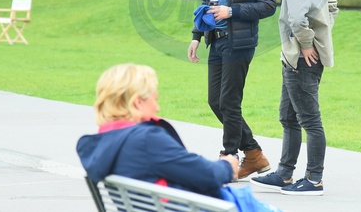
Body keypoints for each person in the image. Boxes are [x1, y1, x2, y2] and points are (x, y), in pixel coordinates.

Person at [76, 64, 282, 212]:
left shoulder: (102, 143)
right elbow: (206, 174)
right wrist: (228, 165)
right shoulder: (145, 140)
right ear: (137, 103)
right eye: (154, 100)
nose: (157, 107)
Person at [187, 0, 277, 180]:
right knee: (215, 101)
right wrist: (196, 35)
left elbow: (269, 5)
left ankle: (229, 157)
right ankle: (254, 153)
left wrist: (232, 11)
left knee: (229, 101)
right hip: (216, 40)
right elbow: (206, 1)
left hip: (240, 43)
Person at [250, 0, 338, 196]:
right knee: (288, 117)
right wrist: (320, 35)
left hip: (301, 59)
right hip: (295, 57)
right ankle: (285, 174)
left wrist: (309, 43)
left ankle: (314, 180)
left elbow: (297, 19)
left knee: (310, 120)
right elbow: (332, 6)